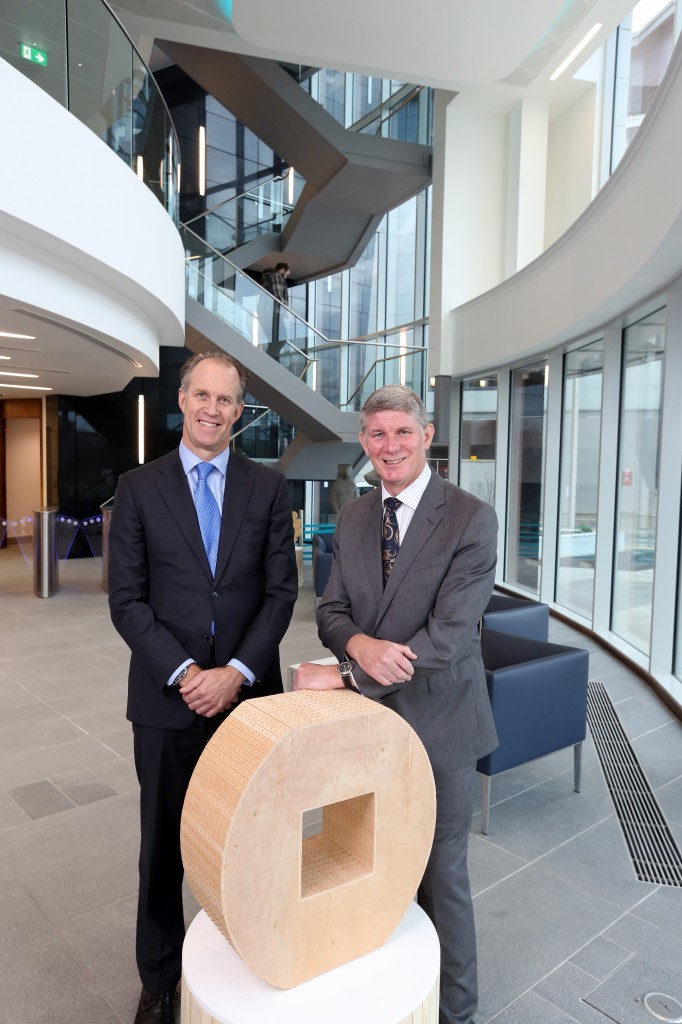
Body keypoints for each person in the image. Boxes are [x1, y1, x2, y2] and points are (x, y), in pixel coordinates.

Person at [293, 384, 498, 1024]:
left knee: (442, 880)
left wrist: (351, 676)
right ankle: (389, 996)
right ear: (363, 443)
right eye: (377, 434)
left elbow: (448, 638)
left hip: (441, 728)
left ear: (427, 435)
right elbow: (330, 609)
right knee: (370, 868)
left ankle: (456, 1014)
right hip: (366, 734)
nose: (390, 446)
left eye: (402, 433)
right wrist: (355, 644)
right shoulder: (354, 517)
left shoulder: (470, 517)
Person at [108, 351, 298, 1024]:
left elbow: (280, 595)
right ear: (182, 401)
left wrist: (236, 673)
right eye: (202, 396)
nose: (213, 409)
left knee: (251, 838)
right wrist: (189, 674)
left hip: (248, 700)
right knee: (163, 847)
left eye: (226, 400)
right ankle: (160, 982)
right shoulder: (138, 487)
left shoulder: (269, 489)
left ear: (238, 413)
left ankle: (254, 957)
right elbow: (126, 601)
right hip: (166, 699)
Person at [260, 261, 290, 358]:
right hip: (272, 314)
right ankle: (269, 363)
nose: (285, 277)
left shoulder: (268, 278)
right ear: (282, 270)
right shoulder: (276, 275)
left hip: (268, 314)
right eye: (286, 274)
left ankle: (269, 363)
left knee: (274, 342)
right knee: (281, 340)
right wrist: (286, 309)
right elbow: (278, 294)